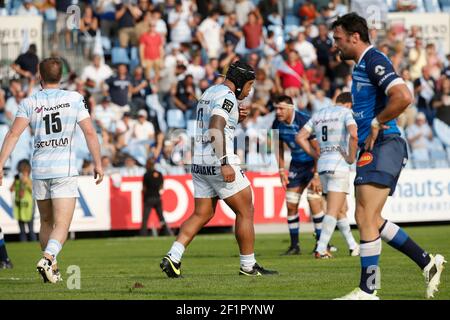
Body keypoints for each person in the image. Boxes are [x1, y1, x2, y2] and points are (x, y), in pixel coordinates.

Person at [331, 13, 446, 300]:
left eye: (338, 39)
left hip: (386, 142)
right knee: (371, 217)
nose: (335, 45)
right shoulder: (360, 66)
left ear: (354, 37)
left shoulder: (374, 60)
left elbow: (403, 96)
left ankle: (369, 291)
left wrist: (375, 122)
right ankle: (426, 262)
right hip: (375, 145)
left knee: (365, 216)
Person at [160, 60, 277, 277]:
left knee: (202, 213)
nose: (250, 91)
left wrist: (235, 121)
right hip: (217, 159)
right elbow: (215, 127)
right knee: (245, 210)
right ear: (241, 83)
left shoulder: (210, 92)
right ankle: (248, 266)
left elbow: (215, 123)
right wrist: (224, 162)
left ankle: (173, 256)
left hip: (199, 160)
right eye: (250, 85)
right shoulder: (227, 96)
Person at [0, 57, 104, 284]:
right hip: (63, 170)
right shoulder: (74, 99)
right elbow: (89, 133)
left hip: (39, 170)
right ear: (62, 76)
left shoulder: (29, 102)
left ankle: (52, 271)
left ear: (39, 75)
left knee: (46, 222)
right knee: (62, 225)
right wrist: (98, 162)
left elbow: (13, 135)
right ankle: (48, 258)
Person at [296, 92, 360, 259]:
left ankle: (353, 246)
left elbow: (300, 137)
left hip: (323, 164)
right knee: (333, 209)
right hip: (339, 164)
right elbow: (354, 135)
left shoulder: (319, 114)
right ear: (348, 104)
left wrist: (315, 154)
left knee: (340, 209)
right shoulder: (346, 113)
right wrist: (351, 157)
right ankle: (321, 248)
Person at [271, 95, 329, 256]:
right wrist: (281, 170)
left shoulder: (304, 121)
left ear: (291, 108)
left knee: (314, 202)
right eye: (276, 108)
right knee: (290, 204)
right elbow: (277, 146)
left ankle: (322, 244)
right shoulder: (277, 123)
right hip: (296, 165)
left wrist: (317, 175)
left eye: (281, 108)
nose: (278, 112)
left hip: (313, 164)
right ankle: (294, 246)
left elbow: (318, 149)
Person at [141, 158, 173, 237]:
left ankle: (143, 234)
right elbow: (162, 186)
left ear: (148, 165)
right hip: (157, 198)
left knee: (145, 218)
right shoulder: (159, 174)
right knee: (161, 217)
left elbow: (144, 188)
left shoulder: (146, 175)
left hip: (149, 198)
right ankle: (167, 232)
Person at [10, 159, 37, 242]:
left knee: (31, 229)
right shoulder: (17, 179)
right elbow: (11, 189)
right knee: (22, 230)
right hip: (20, 207)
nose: (23, 173)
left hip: (29, 208)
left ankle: (33, 245)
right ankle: (23, 243)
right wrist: (16, 183)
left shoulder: (30, 180)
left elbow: (33, 191)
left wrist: (26, 183)